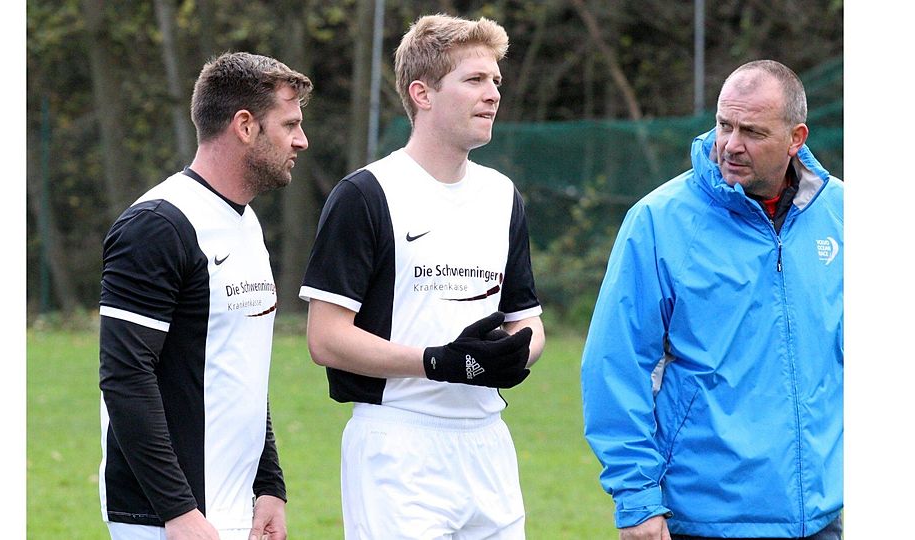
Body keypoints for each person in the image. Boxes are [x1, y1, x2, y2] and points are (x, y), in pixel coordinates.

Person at [299, 13, 545, 540]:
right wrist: (435, 363)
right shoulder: (365, 194)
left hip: (487, 444)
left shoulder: (503, 196)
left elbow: (528, 322)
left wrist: (511, 353)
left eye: (496, 81)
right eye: (474, 80)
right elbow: (325, 338)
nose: (493, 94)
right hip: (398, 446)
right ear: (423, 93)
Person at [580, 59, 843, 540]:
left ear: (796, 138)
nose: (731, 144)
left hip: (822, 516)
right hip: (704, 518)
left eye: (753, 132)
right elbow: (615, 365)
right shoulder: (658, 221)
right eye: (724, 125)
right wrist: (637, 500)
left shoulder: (843, 215)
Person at [97, 52, 312, 540]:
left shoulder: (246, 221)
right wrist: (178, 512)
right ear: (244, 125)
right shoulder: (157, 226)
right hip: (169, 520)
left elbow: (239, 365)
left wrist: (269, 486)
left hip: (235, 510)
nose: (302, 139)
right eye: (290, 123)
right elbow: (125, 377)